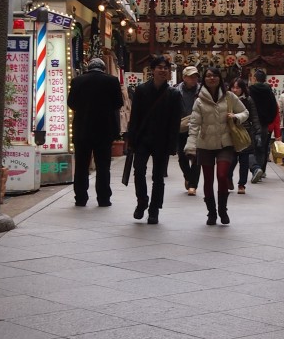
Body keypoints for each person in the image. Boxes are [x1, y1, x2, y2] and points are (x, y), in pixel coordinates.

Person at [185, 66, 248, 225]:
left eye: (214, 76)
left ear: (220, 78)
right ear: (204, 80)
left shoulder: (229, 97)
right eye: (208, 76)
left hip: (225, 143)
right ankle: (211, 213)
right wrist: (191, 146)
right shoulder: (199, 100)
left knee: (222, 175)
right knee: (207, 179)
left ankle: (223, 209)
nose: (211, 78)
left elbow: (245, 112)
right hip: (205, 144)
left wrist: (236, 117)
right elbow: (194, 125)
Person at [127, 55, 182, 224]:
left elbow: (175, 121)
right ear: (152, 70)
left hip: (162, 140)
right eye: (159, 67)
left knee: (158, 176)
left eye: (166, 68)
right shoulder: (141, 90)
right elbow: (134, 116)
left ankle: (154, 209)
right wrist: (131, 138)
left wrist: (173, 144)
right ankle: (142, 201)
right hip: (143, 138)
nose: (163, 70)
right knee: (139, 171)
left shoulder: (173, 94)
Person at [67, 57, 123, 208]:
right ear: (103, 68)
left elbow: (71, 103)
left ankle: (80, 198)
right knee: (103, 166)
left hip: (82, 130)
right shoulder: (112, 81)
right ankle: (103, 198)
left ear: (88, 68)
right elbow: (119, 103)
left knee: (81, 165)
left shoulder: (77, 81)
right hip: (104, 130)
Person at [228, 77, 261, 194]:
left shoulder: (248, 100)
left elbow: (254, 116)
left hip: (245, 132)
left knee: (244, 160)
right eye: (233, 87)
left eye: (237, 88)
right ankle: (228, 178)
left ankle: (242, 184)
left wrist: (257, 132)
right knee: (231, 160)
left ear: (242, 89)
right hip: (230, 132)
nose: (235, 90)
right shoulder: (227, 99)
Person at [248, 69, 279, 183]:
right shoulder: (269, 91)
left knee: (251, 147)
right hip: (265, 124)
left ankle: (255, 169)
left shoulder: (250, 90)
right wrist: (268, 120)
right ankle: (261, 169)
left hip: (252, 123)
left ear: (254, 78)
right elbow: (274, 108)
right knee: (262, 147)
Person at [177, 65, 202, 195]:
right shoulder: (176, 91)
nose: (194, 79)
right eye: (191, 77)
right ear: (184, 77)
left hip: (198, 127)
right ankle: (188, 176)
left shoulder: (202, 91)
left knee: (196, 157)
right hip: (181, 127)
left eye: (195, 77)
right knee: (182, 157)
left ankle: (193, 185)